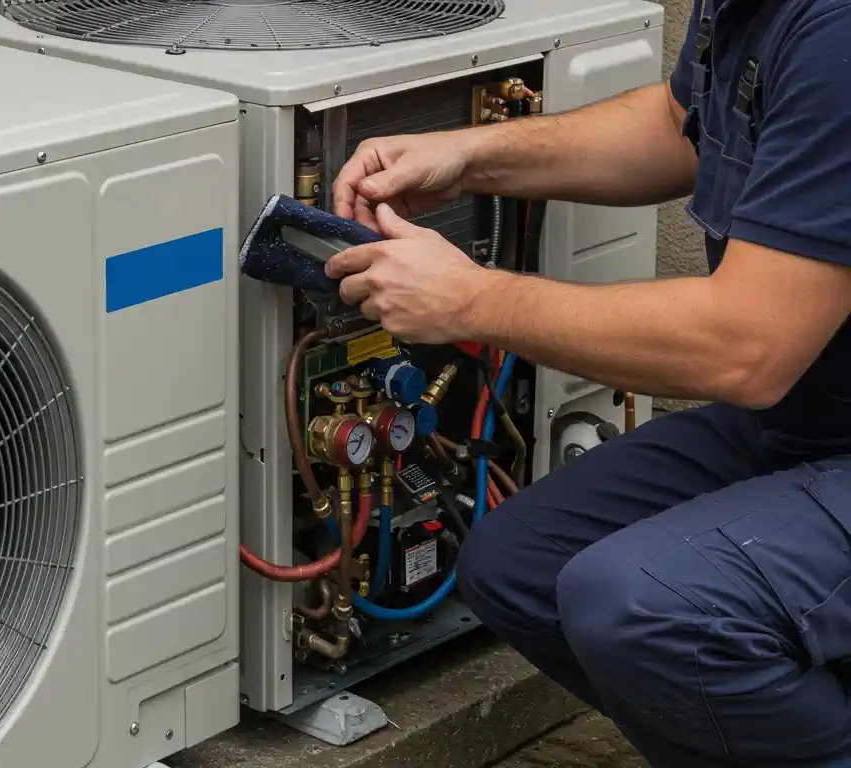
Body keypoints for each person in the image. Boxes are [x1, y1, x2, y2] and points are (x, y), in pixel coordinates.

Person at [324, 1, 851, 766]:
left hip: (800, 404)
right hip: (810, 419)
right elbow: (679, 124)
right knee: (520, 566)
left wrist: (473, 300)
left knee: (647, 605)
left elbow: (747, 348)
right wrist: (468, 155)